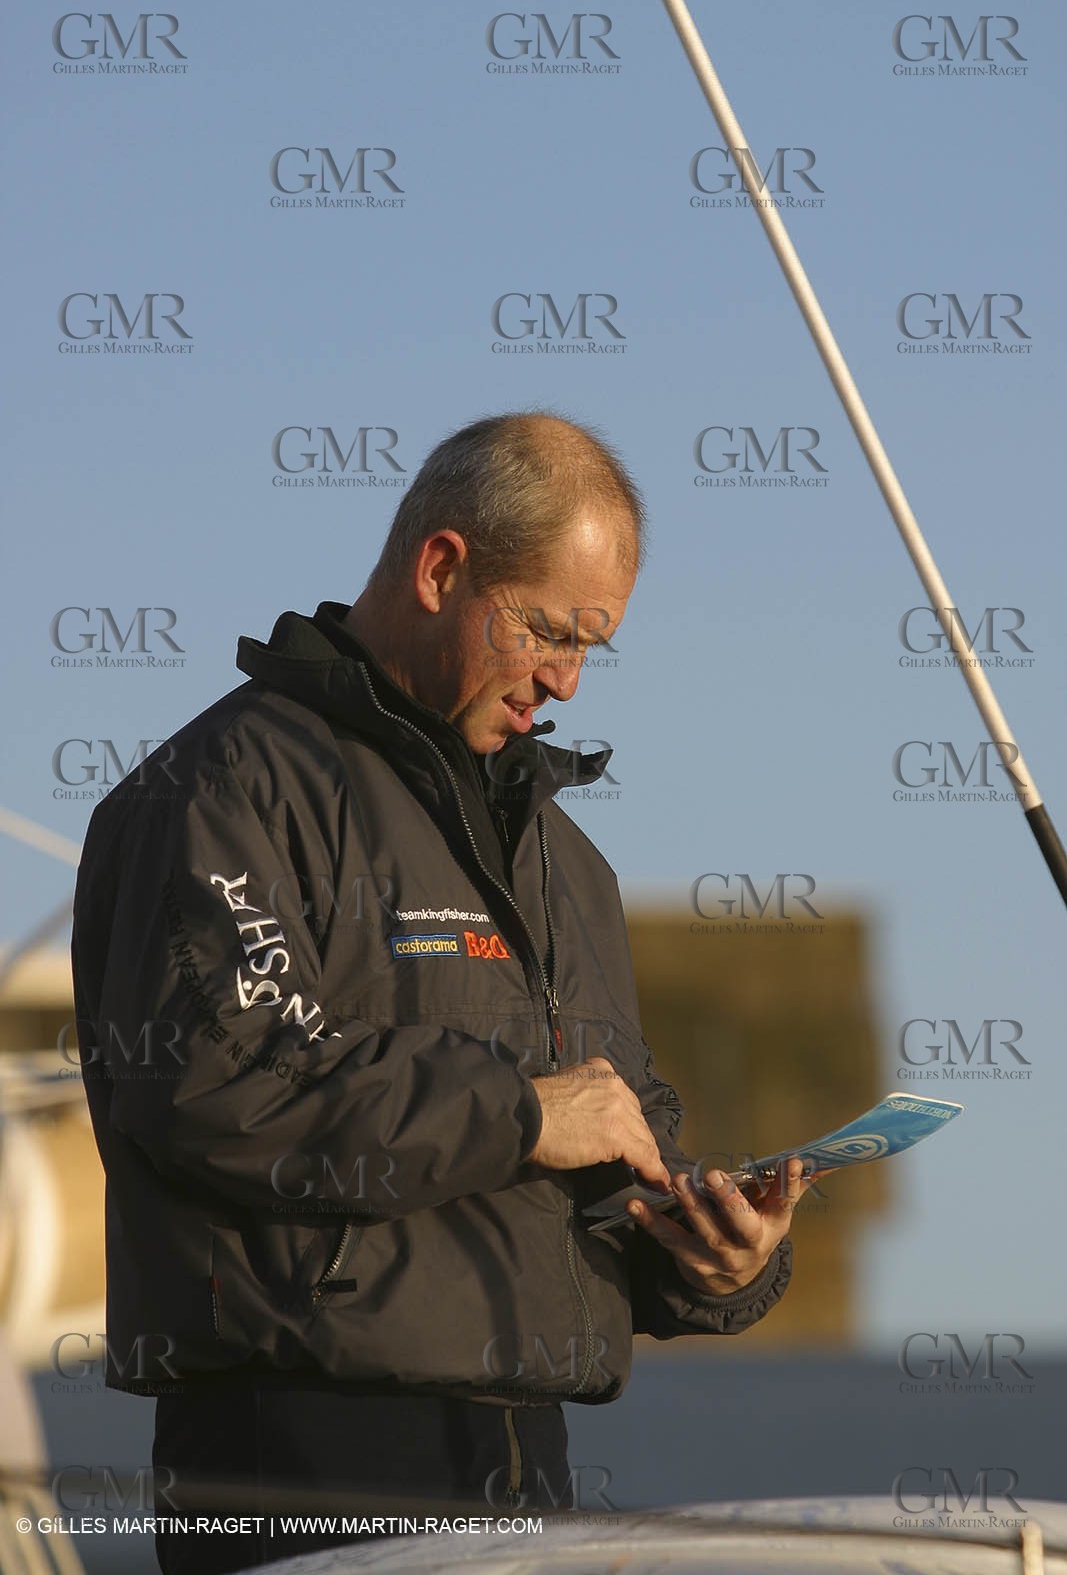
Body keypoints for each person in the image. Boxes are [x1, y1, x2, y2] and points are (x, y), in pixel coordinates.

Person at [72, 413, 809, 1575]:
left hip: (536, 1470)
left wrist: (713, 1263)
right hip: (296, 1461)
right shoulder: (217, 792)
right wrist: (524, 1111)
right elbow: (220, 1081)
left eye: (591, 647)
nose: (564, 680)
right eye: (549, 632)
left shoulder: (569, 864)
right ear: (439, 568)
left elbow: (606, 1152)